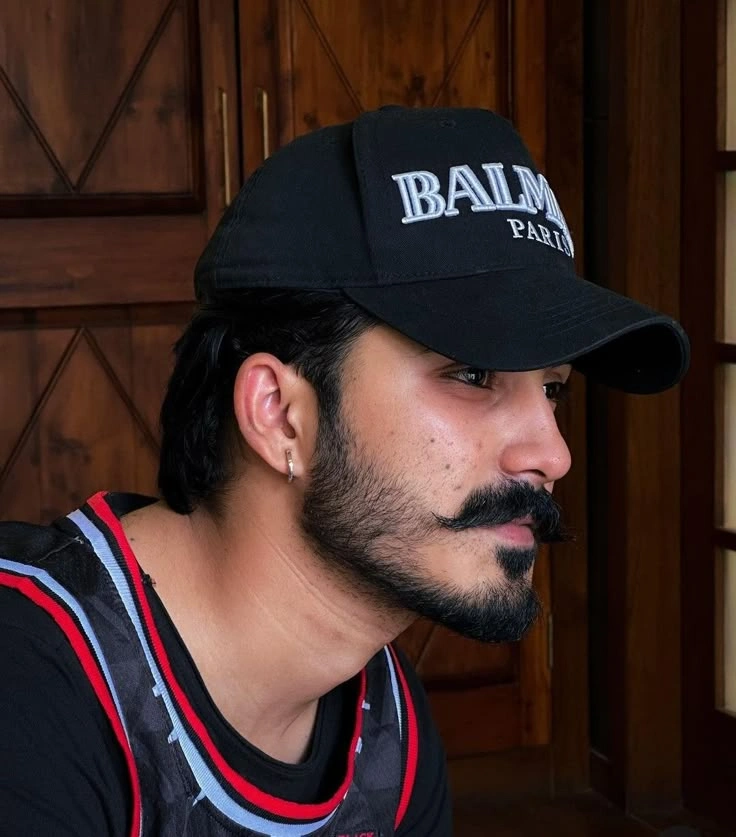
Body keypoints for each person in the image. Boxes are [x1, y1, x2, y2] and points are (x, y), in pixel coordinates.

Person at [0, 106, 689, 836]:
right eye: (472, 373)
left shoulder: (389, 729)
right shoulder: (29, 691)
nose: (553, 455)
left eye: (552, 389)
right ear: (279, 414)